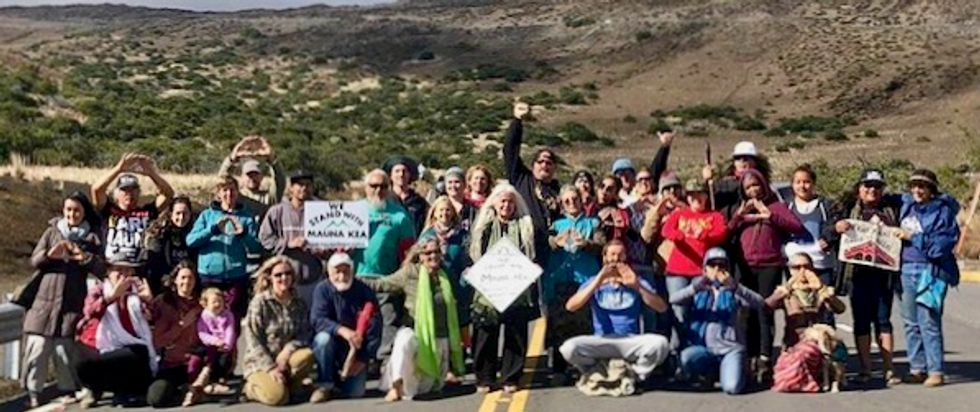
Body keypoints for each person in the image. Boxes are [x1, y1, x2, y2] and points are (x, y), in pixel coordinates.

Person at [17, 192, 104, 408]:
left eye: (76, 210)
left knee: (63, 350)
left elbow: (101, 269)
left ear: (84, 212)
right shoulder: (51, 232)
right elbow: (34, 260)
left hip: (71, 303)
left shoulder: (91, 238)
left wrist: (83, 257)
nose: (72, 214)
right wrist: (50, 255)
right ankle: (33, 393)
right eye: (68, 210)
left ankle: (68, 389)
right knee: (37, 349)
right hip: (43, 303)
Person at [361, 238, 466, 401]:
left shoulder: (445, 275)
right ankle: (395, 385)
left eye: (437, 251)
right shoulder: (410, 273)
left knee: (425, 388)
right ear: (420, 255)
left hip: (439, 336)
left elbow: (458, 300)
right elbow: (382, 284)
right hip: (415, 330)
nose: (433, 255)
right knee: (403, 341)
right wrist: (354, 280)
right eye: (428, 252)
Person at [823, 169, 902, 385]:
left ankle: (889, 369)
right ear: (859, 189)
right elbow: (828, 230)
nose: (872, 190)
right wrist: (836, 228)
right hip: (857, 275)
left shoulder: (893, 209)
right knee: (862, 322)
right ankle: (866, 369)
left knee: (884, 321)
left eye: (877, 187)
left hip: (884, 275)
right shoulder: (847, 209)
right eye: (867, 186)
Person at [728, 168, 804, 382]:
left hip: (769, 265)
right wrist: (738, 217)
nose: (753, 190)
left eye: (756, 185)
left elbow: (796, 226)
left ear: (763, 185)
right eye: (748, 187)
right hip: (745, 266)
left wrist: (770, 215)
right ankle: (749, 356)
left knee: (764, 311)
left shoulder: (776, 206)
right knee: (746, 314)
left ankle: (764, 357)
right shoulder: (740, 209)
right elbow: (727, 232)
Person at [559, 240, 670, 383]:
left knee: (661, 344)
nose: (616, 259)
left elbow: (661, 307)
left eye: (620, 255)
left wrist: (637, 286)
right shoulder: (594, 282)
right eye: (612, 254)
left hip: (629, 340)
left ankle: (635, 374)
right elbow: (571, 306)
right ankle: (596, 370)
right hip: (602, 340)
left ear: (625, 257)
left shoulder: (636, 280)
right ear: (605, 257)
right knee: (568, 348)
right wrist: (598, 281)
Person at [469, 183, 538, 393]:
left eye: (510, 201)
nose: (506, 205)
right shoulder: (484, 226)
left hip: (516, 287)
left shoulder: (525, 226)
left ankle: (511, 377)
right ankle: (485, 378)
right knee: (485, 333)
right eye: (503, 201)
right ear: (495, 203)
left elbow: (532, 252)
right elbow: (474, 251)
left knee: (515, 334)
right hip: (488, 287)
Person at [896, 169, 960, 387]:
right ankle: (917, 368)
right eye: (914, 185)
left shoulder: (943, 212)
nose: (917, 190)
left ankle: (936, 370)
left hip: (931, 272)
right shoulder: (907, 206)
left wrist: (914, 237)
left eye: (922, 186)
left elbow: (941, 246)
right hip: (906, 268)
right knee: (910, 322)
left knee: (929, 321)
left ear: (931, 189)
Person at [671, 248, 764, 395]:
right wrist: (695, 287)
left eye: (722, 266)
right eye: (712, 265)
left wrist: (735, 286)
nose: (717, 270)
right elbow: (673, 299)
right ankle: (711, 372)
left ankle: (737, 370)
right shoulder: (699, 288)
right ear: (705, 268)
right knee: (685, 358)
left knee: (732, 388)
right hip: (704, 348)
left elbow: (759, 303)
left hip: (730, 349)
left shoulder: (734, 289)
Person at [74, 254, 157, 408]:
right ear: (108, 272)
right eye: (118, 270)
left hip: (135, 345)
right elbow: (89, 312)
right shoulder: (99, 290)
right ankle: (97, 387)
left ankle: (124, 390)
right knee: (82, 362)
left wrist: (149, 301)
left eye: (127, 271)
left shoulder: (138, 290)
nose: (123, 274)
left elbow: (153, 320)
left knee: (130, 355)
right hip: (104, 343)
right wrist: (111, 298)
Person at [353, 169, 417, 361]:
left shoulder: (400, 216)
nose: (378, 190)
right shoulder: (351, 211)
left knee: (388, 322)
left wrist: (403, 279)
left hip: (386, 278)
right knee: (358, 323)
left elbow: (408, 252)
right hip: (357, 277)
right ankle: (359, 361)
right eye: (373, 186)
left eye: (383, 186)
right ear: (365, 187)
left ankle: (385, 363)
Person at [544, 185, 604, 383]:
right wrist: (555, 242)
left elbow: (601, 245)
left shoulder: (593, 223)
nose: (571, 203)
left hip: (585, 279)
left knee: (584, 324)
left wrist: (585, 244)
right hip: (560, 279)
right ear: (562, 203)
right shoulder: (555, 224)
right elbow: (544, 244)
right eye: (567, 200)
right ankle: (559, 368)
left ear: (581, 201)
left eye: (575, 199)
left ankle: (584, 367)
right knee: (559, 325)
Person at [660, 179, 728, 351]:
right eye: (692, 195)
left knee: (700, 310)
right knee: (678, 311)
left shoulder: (714, 216)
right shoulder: (679, 214)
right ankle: (676, 351)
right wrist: (680, 236)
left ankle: (696, 350)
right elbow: (666, 230)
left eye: (700, 194)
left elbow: (722, 233)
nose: (696, 198)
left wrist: (704, 234)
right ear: (687, 198)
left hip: (702, 271)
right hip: (677, 270)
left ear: (706, 196)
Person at [242, 256, 316, 406]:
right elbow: (253, 340)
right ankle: (250, 388)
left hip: (285, 359)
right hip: (260, 362)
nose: (284, 278)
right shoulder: (260, 302)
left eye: (288, 273)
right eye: (278, 275)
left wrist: (288, 350)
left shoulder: (299, 302)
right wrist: (270, 368)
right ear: (269, 277)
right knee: (278, 398)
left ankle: (290, 387)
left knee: (307, 355)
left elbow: (305, 334)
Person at [310, 253, 382, 403]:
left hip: (355, 350)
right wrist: (342, 330)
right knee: (322, 340)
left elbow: (375, 326)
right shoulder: (322, 289)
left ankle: (339, 381)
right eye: (337, 271)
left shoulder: (364, 290)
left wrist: (363, 359)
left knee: (356, 392)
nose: (342, 276)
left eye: (346, 270)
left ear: (353, 271)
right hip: (331, 344)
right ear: (329, 272)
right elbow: (317, 320)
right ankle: (325, 385)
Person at [187, 176, 262, 319]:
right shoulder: (207, 215)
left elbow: (257, 248)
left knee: (234, 321)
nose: (229, 194)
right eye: (225, 190)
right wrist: (212, 230)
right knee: (209, 319)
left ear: (238, 192)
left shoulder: (246, 217)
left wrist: (244, 234)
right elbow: (191, 241)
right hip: (210, 277)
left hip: (236, 277)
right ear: (218, 194)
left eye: (232, 190)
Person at [91, 153, 175, 264]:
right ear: (116, 194)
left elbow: (168, 194)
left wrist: (151, 174)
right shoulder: (108, 210)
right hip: (113, 267)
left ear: (139, 192)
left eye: (133, 189)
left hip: (139, 268)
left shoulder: (147, 212)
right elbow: (96, 190)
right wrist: (118, 169)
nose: (129, 193)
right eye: (125, 190)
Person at [504, 102, 560, 265]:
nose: (544, 165)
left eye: (549, 162)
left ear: (554, 167)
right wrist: (517, 121)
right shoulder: (522, 179)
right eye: (540, 161)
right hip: (522, 250)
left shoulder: (559, 191)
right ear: (533, 164)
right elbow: (510, 150)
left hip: (550, 253)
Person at [260, 170, 324, 308]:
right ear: (291, 188)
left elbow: (332, 241)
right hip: (284, 282)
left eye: (308, 185)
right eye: (299, 185)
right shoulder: (277, 211)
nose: (304, 188)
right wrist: (288, 244)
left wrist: (321, 250)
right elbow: (265, 239)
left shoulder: (324, 211)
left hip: (313, 278)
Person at [145, 262, 204, 408]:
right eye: (183, 277)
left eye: (191, 278)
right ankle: (183, 392)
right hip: (170, 364)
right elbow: (158, 341)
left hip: (195, 361)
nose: (187, 282)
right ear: (175, 280)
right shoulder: (164, 302)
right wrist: (182, 325)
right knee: (156, 398)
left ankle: (196, 387)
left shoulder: (202, 303)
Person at [784, 164, 837, 325]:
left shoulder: (825, 205)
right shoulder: (787, 207)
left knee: (824, 309)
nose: (802, 186)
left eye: (806, 182)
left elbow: (834, 226)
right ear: (792, 185)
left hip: (821, 265)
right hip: (796, 266)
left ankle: (827, 347)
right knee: (798, 309)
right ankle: (800, 347)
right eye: (798, 182)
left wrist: (828, 238)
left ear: (813, 184)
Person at [765, 252, 845, 349]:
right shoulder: (786, 292)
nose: (802, 271)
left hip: (817, 343)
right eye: (797, 267)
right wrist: (780, 294)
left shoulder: (820, 290)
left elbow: (840, 309)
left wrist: (828, 295)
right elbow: (765, 308)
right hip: (794, 345)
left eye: (806, 267)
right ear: (790, 270)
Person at [420, 196, 473, 330]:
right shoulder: (426, 235)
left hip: (457, 289)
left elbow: (468, 261)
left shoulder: (463, 235)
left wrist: (463, 283)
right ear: (435, 213)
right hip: (433, 289)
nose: (445, 213)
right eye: (441, 210)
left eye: (448, 210)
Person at [217, 135, 286, 218]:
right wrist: (232, 159)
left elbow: (280, 180)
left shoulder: (269, 198)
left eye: (255, 174)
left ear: (262, 177)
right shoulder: (236, 197)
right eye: (249, 175)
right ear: (242, 177)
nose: (252, 178)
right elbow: (223, 179)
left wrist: (272, 159)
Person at [702, 141, 773, 220]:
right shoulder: (724, 184)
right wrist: (706, 182)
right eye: (738, 158)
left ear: (755, 162)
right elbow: (704, 201)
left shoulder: (762, 185)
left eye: (746, 158)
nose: (741, 161)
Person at [143, 195, 196, 295]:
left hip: (188, 283)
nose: (181, 217)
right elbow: (154, 266)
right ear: (171, 214)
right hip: (165, 283)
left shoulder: (195, 233)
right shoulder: (159, 234)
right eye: (178, 213)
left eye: (185, 213)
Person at [194, 287, 237, 400]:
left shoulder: (228, 315)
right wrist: (215, 341)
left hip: (225, 344)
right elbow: (202, 333)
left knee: (225, 359)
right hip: (210, 344)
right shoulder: (204, 317)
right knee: (210, 358)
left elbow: (230, 330)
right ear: (206, 304)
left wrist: (227, 344)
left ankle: (222, 379)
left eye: (220, 301)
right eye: (214, 302)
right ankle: (211, 379)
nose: (218, 304)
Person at [384, 155, 429, 235]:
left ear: (409, 175)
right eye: (397, 171)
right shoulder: (384, 200)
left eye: (404, 171)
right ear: (390, 176)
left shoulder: (419, 202)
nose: (401, 174)